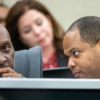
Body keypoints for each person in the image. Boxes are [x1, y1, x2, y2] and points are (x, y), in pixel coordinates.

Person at [6, 0, 68, 69]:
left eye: (39, 23)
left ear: (49, 20)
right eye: (27, 31)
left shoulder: (72, 52)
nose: (37, 32)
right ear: (20, 38)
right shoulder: (16, 67)